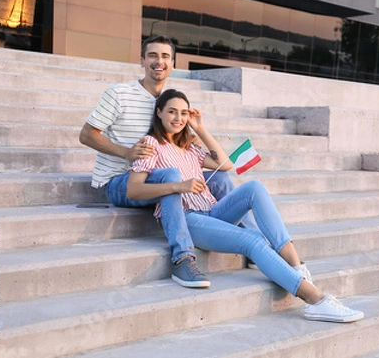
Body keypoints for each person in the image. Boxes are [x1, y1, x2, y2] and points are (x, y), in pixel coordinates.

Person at [126, 89, 364, 323]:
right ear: (159, 112)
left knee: (254, 188)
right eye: (172, 112)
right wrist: (179, 186)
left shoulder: (188, 147)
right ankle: (316, 301)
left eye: (184, 113)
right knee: (253, 239)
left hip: (212, 211)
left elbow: (226, 164)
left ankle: (296, 266)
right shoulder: (150, 144)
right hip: (189, 219)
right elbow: (134, 189)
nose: (178, 118)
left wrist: (200, 128)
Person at [79, 35, 253, 288]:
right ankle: (182, 259)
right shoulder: (119, 93)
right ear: (141, 60)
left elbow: (218, 161)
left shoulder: (171, 103)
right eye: (152, 55)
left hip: (161, 175)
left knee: (221, 179)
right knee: (172, 176)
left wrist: (184, 139)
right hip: (121, 181)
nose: (158, 61)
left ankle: (251, 240)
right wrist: (126, 153)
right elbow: (86, 135)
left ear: (172, 63)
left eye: (164, 57)